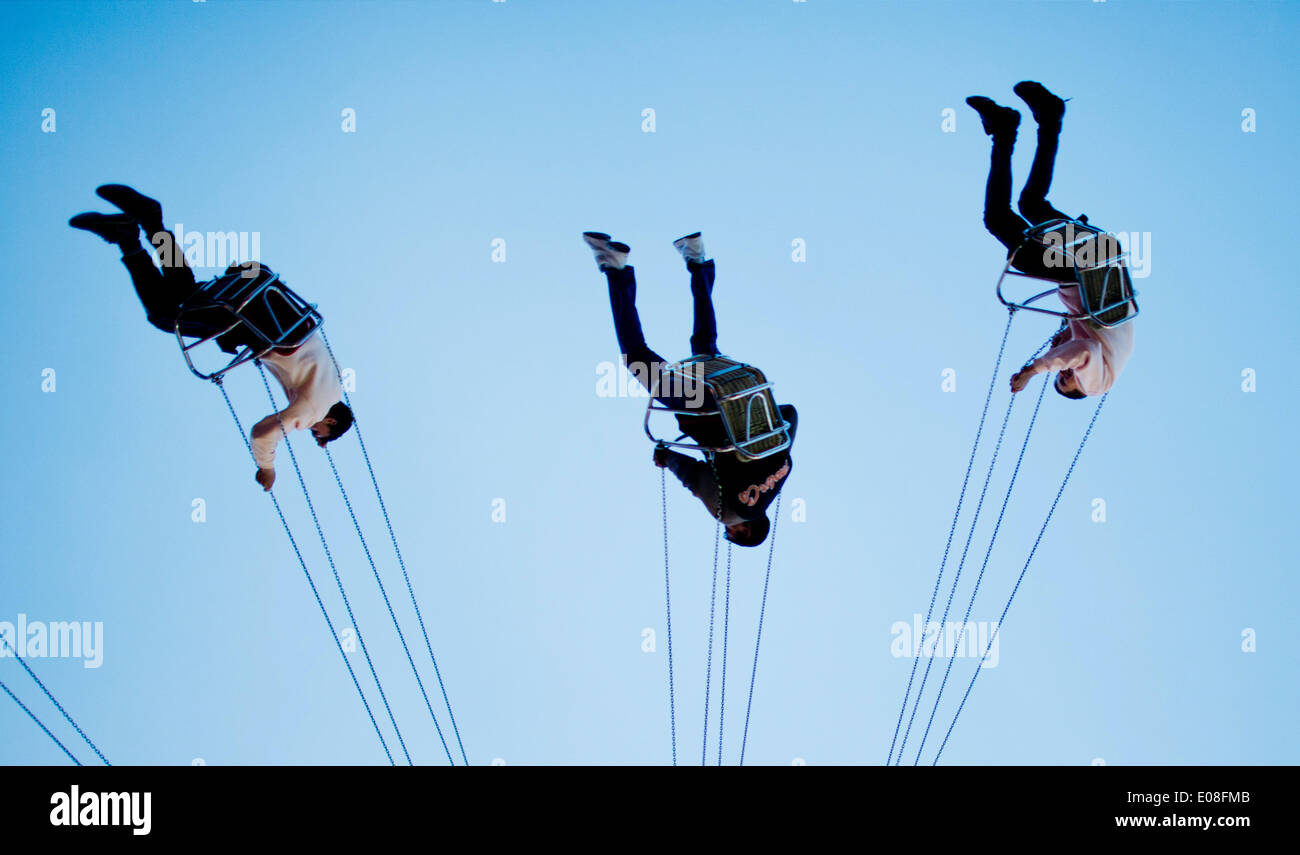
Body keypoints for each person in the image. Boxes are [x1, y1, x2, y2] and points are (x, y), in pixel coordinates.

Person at [70, 184, 353, 491]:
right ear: (331, 421)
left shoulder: (335, 379)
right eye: (316, 433)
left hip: (257, 289)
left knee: (183, 292)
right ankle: (128, 238)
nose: (309, 430)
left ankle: (148, 224)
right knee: (165, 317)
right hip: (249, 315)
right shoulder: (315, 408)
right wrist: (267, 469)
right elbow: (262, 434)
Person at [584, 231, 796, 547]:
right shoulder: (731, 512)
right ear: (746, 530)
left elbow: (788, 413)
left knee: (705, 347)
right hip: (704, 409)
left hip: (736, 386)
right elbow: (695, 478)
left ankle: (697, 259)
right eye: (732, 534)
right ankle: (613, 266)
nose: (728, 529)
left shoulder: (783, 466)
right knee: (635, 356)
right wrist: (666, 457)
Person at [966, 81, 1135, 399]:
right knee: (998, 220)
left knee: (1031, 204)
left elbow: (1078, 344)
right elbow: (1082, 351)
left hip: (1095, 259)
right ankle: (1007, 131)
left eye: (1059, 377)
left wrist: (1055, 346)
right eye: (1067, 381)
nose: (1065, 374)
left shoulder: (1104, 349)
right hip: (1088, 274)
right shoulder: (1098, 383)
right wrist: (1033, 370)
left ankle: (1040, 121)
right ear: (1082, 388)